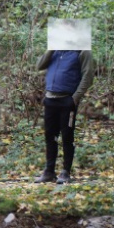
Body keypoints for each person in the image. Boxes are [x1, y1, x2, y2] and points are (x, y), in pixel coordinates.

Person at [35, 49, 94, 184]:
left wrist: (75, 98)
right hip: (50, 99)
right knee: (50, 136)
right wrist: (50, 49)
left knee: (67, 136)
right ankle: (49, 171)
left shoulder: (82, 51)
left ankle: (66, 171)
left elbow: (88, 76)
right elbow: (39, 66)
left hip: (67, 100)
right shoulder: (55, 50)